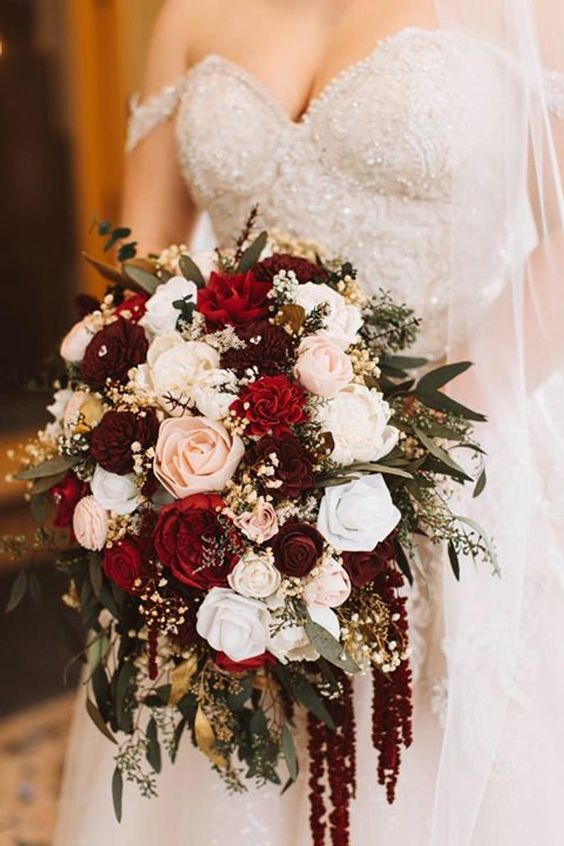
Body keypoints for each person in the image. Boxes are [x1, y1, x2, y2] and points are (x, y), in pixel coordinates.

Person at [55, 1, 564, 843]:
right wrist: (164, 428)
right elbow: (139, 271)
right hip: (217, 477)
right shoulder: (189, 14)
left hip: (448, 454)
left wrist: (421, 432)